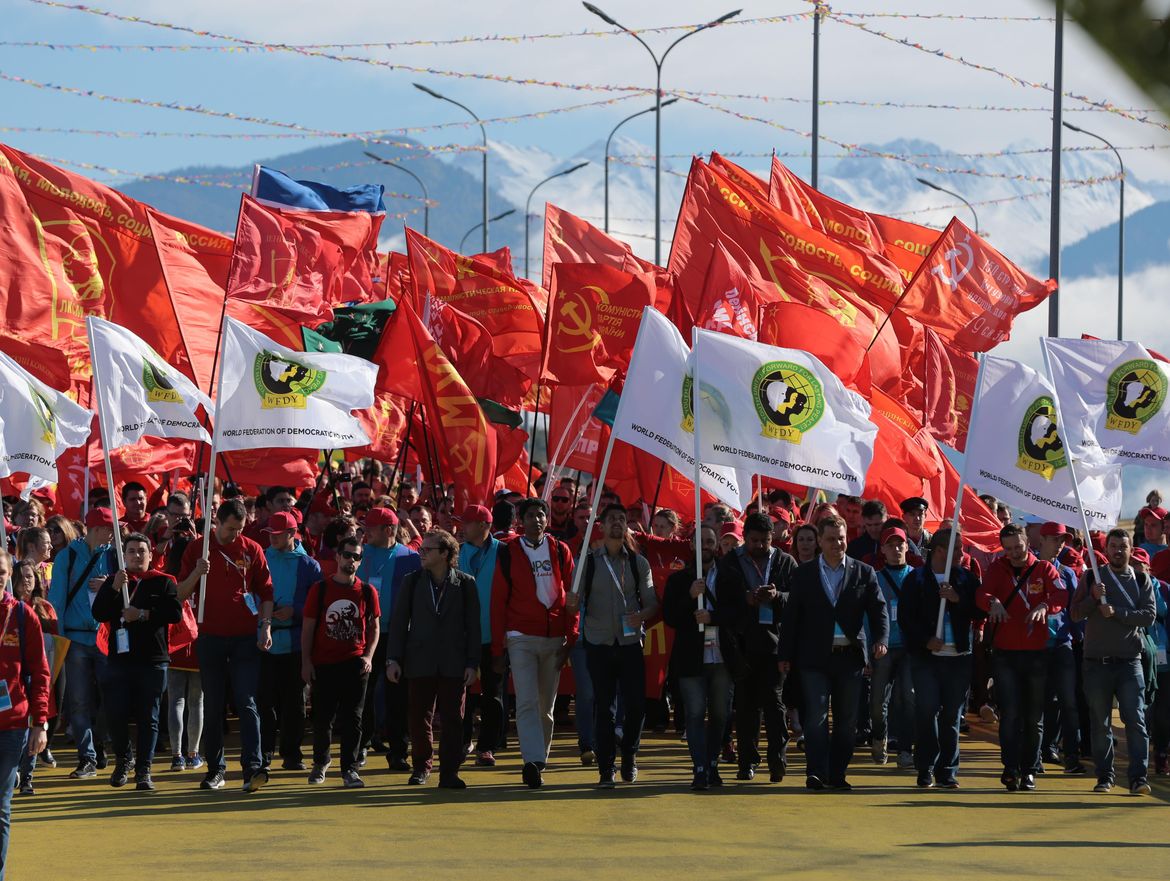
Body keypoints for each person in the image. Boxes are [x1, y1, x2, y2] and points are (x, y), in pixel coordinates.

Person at [779, 515, 888, 790]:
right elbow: (791, 617)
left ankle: (837, 772)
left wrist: (881, 639)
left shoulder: (864, 572)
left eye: (841, 538)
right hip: (813, 658)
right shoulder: (803, 573)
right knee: (815, 717)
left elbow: (879, 610)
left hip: (849, 658)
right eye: (830, 539)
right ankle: (816, 771)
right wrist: (785, 655)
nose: (837, 543)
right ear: (819, 541)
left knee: (846, 721)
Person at [177, 499, 274, 793]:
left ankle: (253, 768)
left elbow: (266, 590)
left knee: (247, 702)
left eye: (240, 529)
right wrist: (197, 572)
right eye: (231, 528)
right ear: (217, 521)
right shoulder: (197, 548)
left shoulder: (251, 548)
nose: (235, 535)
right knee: (214, 704)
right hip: (210, 638)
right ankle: (215, 769)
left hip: (245, 638)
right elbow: (179, 593)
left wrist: (265, 625)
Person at [567, 505, 658, 788]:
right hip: (598, 643)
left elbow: (652, 603)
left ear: (627, 527)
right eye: (611, 520)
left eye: (622, 519)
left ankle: (629, 754)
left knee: (635, 706)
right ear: (602, 527)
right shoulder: (589, 562)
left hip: (630, 642)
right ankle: (606, 768)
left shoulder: (638, 563)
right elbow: (573, 602)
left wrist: (641, 616)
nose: (617, 523)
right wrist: (570, 602)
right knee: (603, 708)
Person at [491, 498, 576, 789]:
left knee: (545, 707)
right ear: (521, 520)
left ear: (546, 519)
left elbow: (572, 598)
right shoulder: (508, 552)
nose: (536, 520)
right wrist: (497, 647)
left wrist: (571, 636)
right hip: (520, 637)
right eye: (530, 515)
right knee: (526, 701)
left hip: (553, 638)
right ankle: (531, 761)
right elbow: (498, 599)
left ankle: (541, 758)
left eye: (541, 515)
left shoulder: (560, 549)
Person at [386, 529, 479, 789]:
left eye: (428, 550)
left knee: (453, 719)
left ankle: (449, 772)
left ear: (446, 554)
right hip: (419, 660)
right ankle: (421, 767)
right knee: (418, 718)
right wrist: (393, 658)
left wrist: (473, 662)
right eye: (421, 549)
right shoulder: (412, 581)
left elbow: (473, 627)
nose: (421, 553)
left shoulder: (466, 583)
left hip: (454, 662)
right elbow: (398, 622)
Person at [92, 533, 182, 791]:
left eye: (142, 551)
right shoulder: (116, 581)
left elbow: (174, 613)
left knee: (148, 717)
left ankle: (144, 769)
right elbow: (98, 613)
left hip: (152, 661)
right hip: (119, 660)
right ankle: (124, 759)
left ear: (150, 555)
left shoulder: (163, 583)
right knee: (116, 714)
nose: (136, 556)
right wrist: (112, 587)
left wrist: (142, 614)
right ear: (124, 555)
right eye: (131, 551)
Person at [977, 522, 1064, 792]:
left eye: (1019, 547)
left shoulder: (1043, 568)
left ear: (1028, 543)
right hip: (1006, 655)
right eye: (1009, 548)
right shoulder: (998, 568)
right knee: (1011, 714)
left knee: (1033, 717)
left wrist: (1044, 605)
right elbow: (982, 593)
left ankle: (1030, 769)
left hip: (1036, 654)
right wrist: (993, 602)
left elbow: (1061, 593)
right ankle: (1010, 768)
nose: (1015, 553)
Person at [1070, 528, 1156, 795]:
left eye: (1124, 546)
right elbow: (1074, 614)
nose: (1119, 551)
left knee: (1136, 721)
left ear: (1131, 550)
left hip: (1130, 663)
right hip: (1096, 663)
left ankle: (1138, 778)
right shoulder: (1091, 577)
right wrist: (1093, 599)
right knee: (1100, 723)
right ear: (1105, 550)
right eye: (1114, 546)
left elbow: (1148, 616)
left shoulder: (1141, 579)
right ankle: (1105, 776)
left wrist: (1116, 612)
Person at [899, 530, 982, 789]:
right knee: (926, 711)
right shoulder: (917, 580)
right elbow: (905, 619)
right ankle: (925, 767)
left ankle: (947, 770)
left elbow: (980, 609)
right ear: (939, 551)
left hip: (958, 657)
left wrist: (958, 600)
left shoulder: (966, 578)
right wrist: (925, 639)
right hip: (927, 658)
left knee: (952, 717)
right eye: (957, 549)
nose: (962, 554)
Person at [716, 512, 795, 783]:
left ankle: (778, 760)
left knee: (774, 704)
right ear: (745, 538)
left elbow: (797, 601)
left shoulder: (785, 562)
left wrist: (777, 598)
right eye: (753, 540)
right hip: (741, 645)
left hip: (775, 644)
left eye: (764, 541)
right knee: (747, 707)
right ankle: (747, 762)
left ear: (772, 538)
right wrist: (745, 599)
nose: (759, 545)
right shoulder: (729, 563)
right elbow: (721, 604)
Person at [664, 526, 741, 790]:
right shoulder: (678, 580)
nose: (705, 546)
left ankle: (712, 763)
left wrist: (713, 618)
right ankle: (699, 767)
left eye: (710, 541)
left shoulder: (731, 575)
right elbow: (670, 617)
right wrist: (690, 597)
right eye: (701, 542)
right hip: (691, 658)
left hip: (722, 657)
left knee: (720, 714)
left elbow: (739, 613)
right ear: (692, 545)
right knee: (695, 714)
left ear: (717, 544)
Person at [301, 535, 380, 789]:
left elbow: (374, 627)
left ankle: (350, 768)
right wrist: (306, 661)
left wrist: (368, 656)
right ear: (337, 556)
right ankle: (321, 763)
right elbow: (309, 628)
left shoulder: (368, 591)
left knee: (354, 719)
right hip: (324, 663)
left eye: (356, 557)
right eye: (347, 555)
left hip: (355, 663)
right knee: (323, 719)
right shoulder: (320, 589)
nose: (351, 561)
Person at [47, 506, 116, 778]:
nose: (113, 534)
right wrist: (60, 640)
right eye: (108, 528)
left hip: (106, 639)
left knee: (111, 698)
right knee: (78, 701)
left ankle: (99, 743)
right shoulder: (67, 556)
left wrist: (110, 584)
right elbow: (57, 599)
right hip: (75, 639)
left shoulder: (114, 557)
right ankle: (86, 756)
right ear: (96, 529)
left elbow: (128, 590)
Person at [355, 506, 420, 771]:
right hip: (365, 636)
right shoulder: (360, 555)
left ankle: (398, 752)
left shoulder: (410, 558)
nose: (366, 532)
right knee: (362, 695)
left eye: (371, 527)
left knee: (398, 697)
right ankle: (360, 747)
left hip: (397, 635)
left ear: (389, 530)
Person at [0, 550, 50, 880]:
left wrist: (40, 723)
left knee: (0, 807)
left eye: (0, 569)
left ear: (8, 573)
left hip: (12, 724)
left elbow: (40, 671)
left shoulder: (21, 615)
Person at [260, 511, 321, 772]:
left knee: (294, 702)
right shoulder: (260, 557)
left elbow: (317, 602)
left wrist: (294, 610)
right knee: (265, 702)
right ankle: (263, 753)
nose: (273, 537)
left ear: (291, 534)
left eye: (278, 533)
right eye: (270, 533)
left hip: (296, 642)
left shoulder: (308, 564)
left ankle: (292, 754)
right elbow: (249, 591)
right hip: (265, 640)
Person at [1035, 522, 1085, 775]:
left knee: (1068, 702)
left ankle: (1072, 757)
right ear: (1041, 540)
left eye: (1063, 540)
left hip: (1063, 644)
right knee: (1039, 703)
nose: (1060, 544)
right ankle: (1038, 755)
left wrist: (1082, 638)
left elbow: (1074, 610)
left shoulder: (1067, 573)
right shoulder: (1030, 569)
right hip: (1035, 646)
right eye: (1055, 539)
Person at [456, 505, 504, 766]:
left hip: (495, 636)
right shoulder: (457, 553)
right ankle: (462, 742)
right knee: (461, 694)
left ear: (484, 525)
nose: (463, 527)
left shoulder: (505, 553)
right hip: (463, 637)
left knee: (493, 696)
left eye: (468, 523)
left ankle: (487, 747)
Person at [870, 526, 916, 769]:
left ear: (907, 547)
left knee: (908, 697)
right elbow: (868, 616)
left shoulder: (917, 576)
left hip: (909, 648)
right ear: (883, 550)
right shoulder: (875, 578)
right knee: (878, 701)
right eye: (890, 544)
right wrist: (870, 645)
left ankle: (906, 748)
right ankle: (879, 737)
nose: (896, 548)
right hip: (883, 646)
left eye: (900, 544)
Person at [846, 500, 887, 565]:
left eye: (877, 524)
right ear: (864, 521)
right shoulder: (854, 548)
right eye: (869, 525)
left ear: (886, 519)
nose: (873, 529)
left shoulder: (897, 543)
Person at [899, 498, 932, 562]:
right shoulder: (900, 540)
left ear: (925, 516)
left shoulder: (933, 540)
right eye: (912, 514)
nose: (917, 518)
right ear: (904, 517)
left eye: (920, 514)